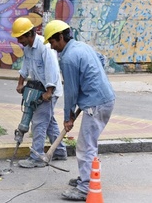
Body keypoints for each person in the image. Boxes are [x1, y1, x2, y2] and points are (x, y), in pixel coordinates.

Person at [43, 20, 115, 201]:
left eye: (52, 42)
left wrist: (68, 117)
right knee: (89, 143)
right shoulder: (81, 46)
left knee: (85, 146)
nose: (52, 47)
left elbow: (71, 91)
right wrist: (92, 81)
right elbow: (101, 60)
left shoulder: (67, 58)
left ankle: (85, 188)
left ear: (60, 37)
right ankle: (87, 178)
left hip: (95, 104)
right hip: (105, 98)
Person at [11, 17, 67, 168]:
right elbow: (25, 66)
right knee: (49, 122)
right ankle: (60, 151)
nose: (19, 41)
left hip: (49, 91)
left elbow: (52, 70)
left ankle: (36, 157)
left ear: (29, 34)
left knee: (39, 122)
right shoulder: (28, 48)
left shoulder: (45, 47)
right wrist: (20, 83)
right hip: (37, 89)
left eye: (20, 37)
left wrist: (49, 92)